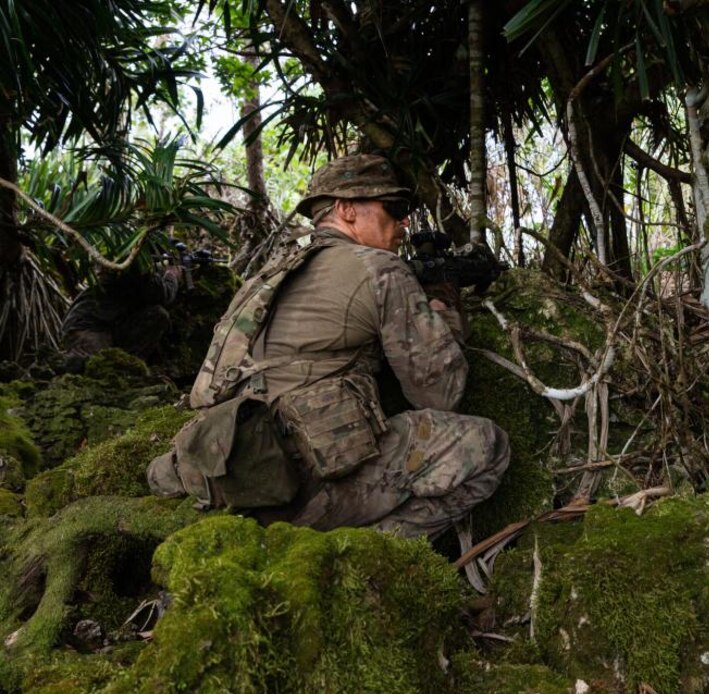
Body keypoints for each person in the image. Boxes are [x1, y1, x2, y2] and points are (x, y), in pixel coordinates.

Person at [188, 154, 510, 539]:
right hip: (301, 489)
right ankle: (368, 554)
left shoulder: (271, 270)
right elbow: (441, 393)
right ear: (346, 209)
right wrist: (445, 310)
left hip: (228, 475)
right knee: (488, 445)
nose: (404, 221)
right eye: (393, 208)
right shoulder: (380, 269)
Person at [60, 260, 183, 372]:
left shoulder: (117, 259)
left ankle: (128, 369)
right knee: (92, 367)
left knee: (157, 315)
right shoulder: (132, 266)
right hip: (89, 327)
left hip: (108, 326)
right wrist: (172, 275)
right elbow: (164, 294)